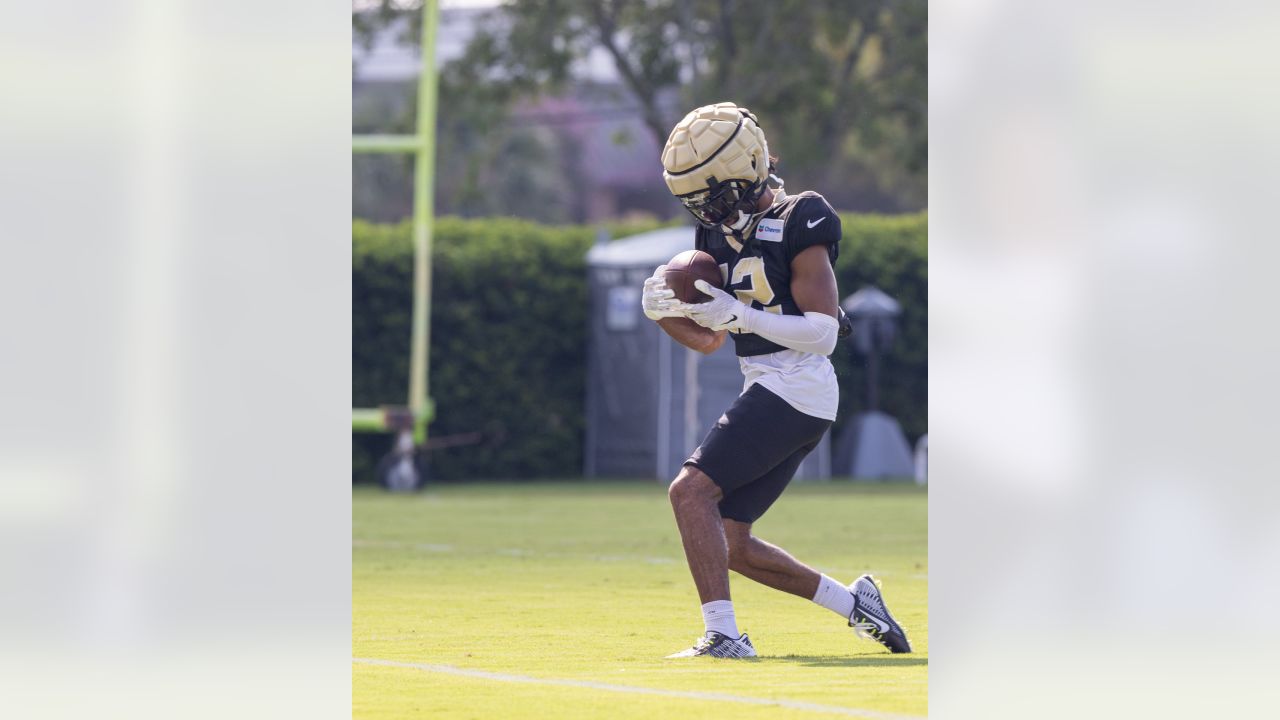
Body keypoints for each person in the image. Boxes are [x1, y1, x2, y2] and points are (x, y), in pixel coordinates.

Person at [643, 102, 911, 658]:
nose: (706, 210)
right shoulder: (715, 238)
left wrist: (738, 315)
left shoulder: (802, 216)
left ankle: (723, 637)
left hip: (801, 384)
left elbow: (823, 333)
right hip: (771, 386)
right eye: (695, 200)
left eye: (711, 195)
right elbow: (710, 339)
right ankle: (857, 603)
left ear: (747, 171)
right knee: (733, 542)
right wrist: (666, 312)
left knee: (690, 493)